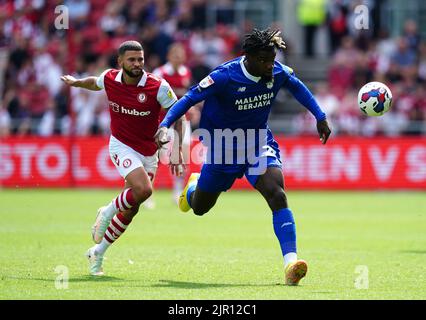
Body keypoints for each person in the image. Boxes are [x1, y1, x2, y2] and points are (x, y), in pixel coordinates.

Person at [155, 29, 331, 286]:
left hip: (257, 143)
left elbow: (298, 88)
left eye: (273, 59)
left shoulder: (276, 71)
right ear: (248, 57)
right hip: (223, 146)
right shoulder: (224, 76)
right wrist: (166, 124)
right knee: (201, 207)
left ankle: (291, 263)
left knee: (277, 193)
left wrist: (320, 116)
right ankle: (192, 189)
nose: (271, 65)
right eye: (265, 60)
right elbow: (190, 98)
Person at [61, 40, 184, 276]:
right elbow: (94, 83)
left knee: (131, 209)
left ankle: (98, 252)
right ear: (120, 62)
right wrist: (76, 82)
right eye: (132, 60)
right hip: (121, 145)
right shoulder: (110, 78)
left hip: (149, 150)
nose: (137, 64)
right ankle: (106, 211)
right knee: (144, 190)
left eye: (140, 59)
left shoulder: (157, 86)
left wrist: (174, 144)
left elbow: (178, 113)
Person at [153, 43, 193, 203]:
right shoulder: (160, 73)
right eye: (175, 55)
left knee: (181, 155)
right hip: (164, 121)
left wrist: (193, 109)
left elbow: (188, 97)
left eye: (180, 55)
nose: (178, 58)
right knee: (156, 157)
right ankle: (149, 192)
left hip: (183, 122)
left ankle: (177, 191)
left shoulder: (186, 72)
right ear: (169, 56)